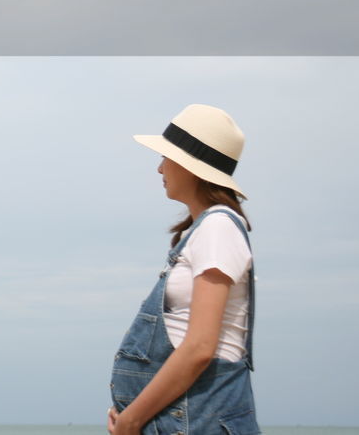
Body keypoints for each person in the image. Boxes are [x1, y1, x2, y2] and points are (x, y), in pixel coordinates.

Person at [107, 104, 259, 435]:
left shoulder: (217, 228)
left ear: (190, 167)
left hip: (196, 421)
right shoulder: (202, 231)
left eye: (166, 157)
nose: (159, 168)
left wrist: (131, 420)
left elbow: (200, 348)